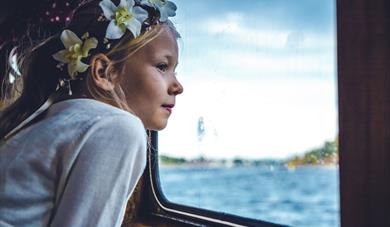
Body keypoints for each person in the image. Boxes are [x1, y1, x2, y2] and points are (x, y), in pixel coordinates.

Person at [0, 0, 183, 226]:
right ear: (104, 71)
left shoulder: (53, 119)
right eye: (162, 66)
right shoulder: (119, 127)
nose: (178, 86)